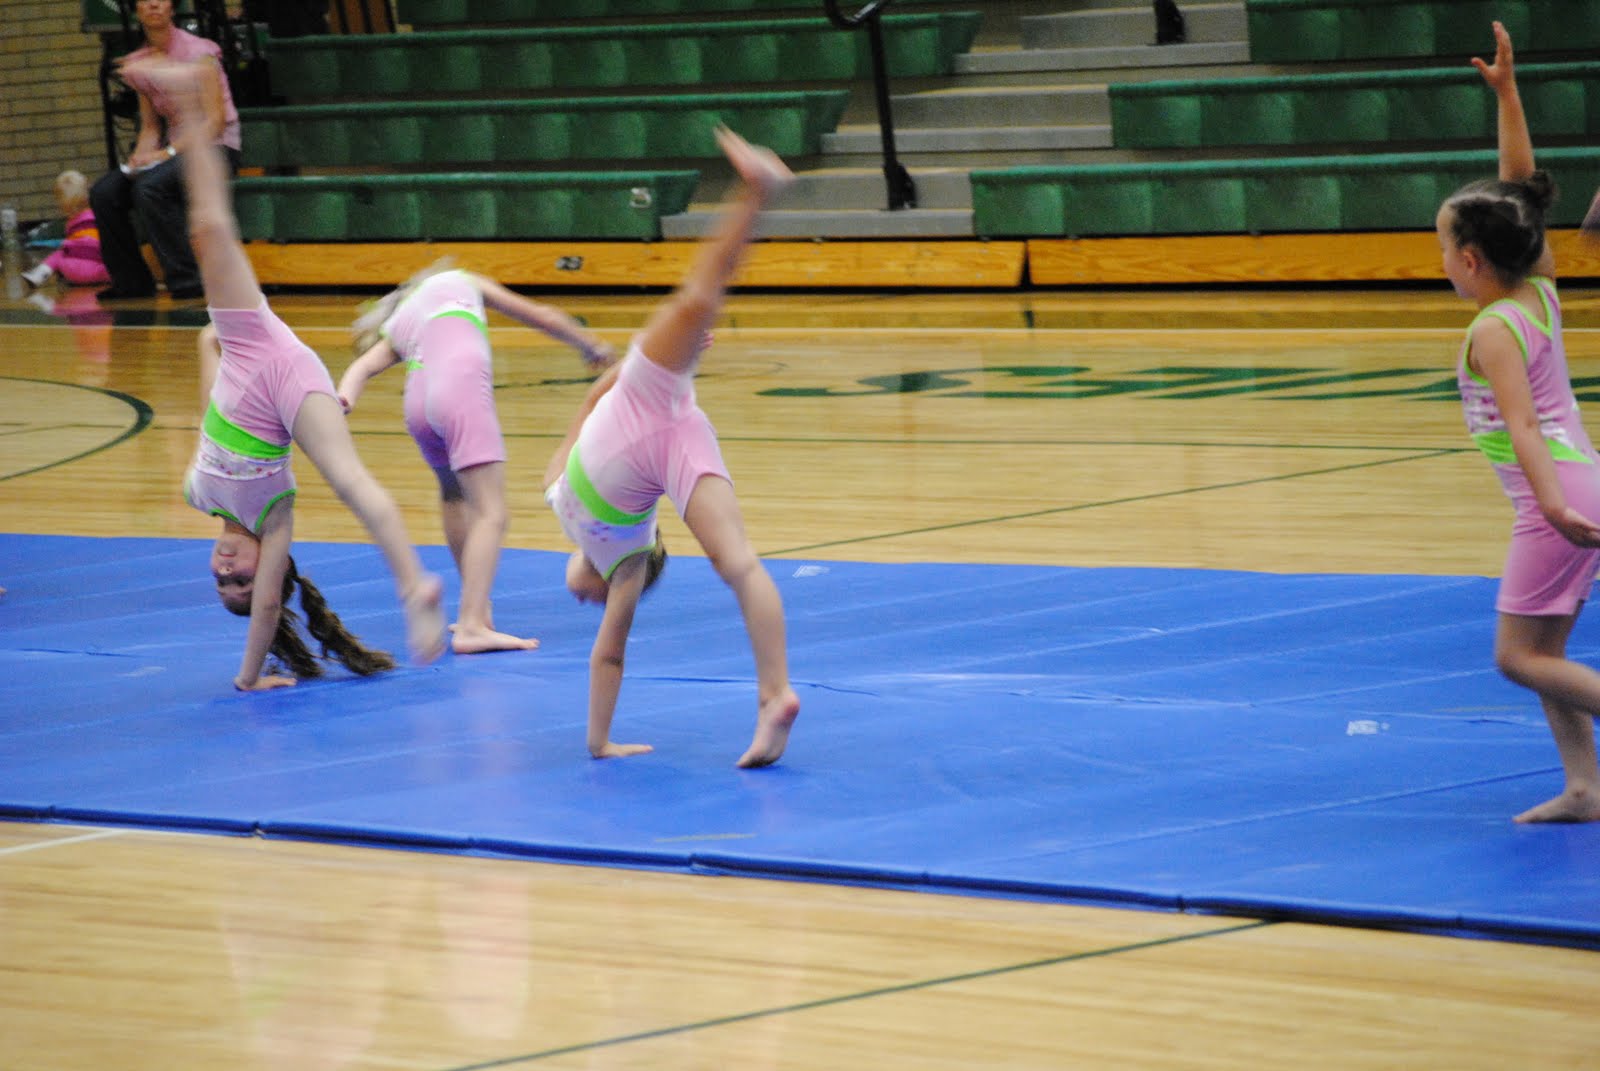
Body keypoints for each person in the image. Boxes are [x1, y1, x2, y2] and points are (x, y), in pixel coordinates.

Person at [137, 54, 444, 690]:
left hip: (248, 355)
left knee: (206, 232)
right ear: (268, 567)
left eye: (221, 581)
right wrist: (250, 677)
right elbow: (271, 608)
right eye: (242, 578)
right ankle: (416, 586)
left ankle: (184, 106)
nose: (228, 568)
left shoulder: (199, 493)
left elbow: (210, 414)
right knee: (351, 482)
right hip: (290, 382)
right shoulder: (275, 519)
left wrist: (210, 343)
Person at [543, 126, 800, 768]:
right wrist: (599, 742)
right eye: (592, 601)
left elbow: (588, 404)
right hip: (662, 417)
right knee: (738, 562)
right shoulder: (626, 563)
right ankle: (776, 695)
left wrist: (662, 353)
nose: (584, 598)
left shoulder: (559, 500)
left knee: (697, 303)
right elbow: (610, 653)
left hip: (650, 405)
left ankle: (775, 696)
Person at [1442, 22, 1600, 823]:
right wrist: (1507, 97)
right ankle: (1584, 787)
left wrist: (1551, 508)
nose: (1442, 257)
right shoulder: (1537, 290)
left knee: (1516, 657)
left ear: (1471, 259)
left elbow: (1525, 426)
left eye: (1445, 244)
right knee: (1547, 654)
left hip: (1558, 494)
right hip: (1581, 480)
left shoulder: (1493, 328)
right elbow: (1523, 188)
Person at [337, 263, 615, 654]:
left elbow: (363, 367)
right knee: (492, 512)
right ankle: (471, 625)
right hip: (459, 388)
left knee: (453, 496)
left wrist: (345, 397)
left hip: (418, 403)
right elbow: (541, 316)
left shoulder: (402, 318)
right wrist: (589, 344)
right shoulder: (462, 281)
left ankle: (476, 609)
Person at [90, 0, 241, 301]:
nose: (154, 4)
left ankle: (187, 279)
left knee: (150, 188)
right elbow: (150, 128)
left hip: (215, 146)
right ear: (137, 11)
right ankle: (132, 283)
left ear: (173, 8)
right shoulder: (141, 62)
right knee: (104, 192)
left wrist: (167, 154)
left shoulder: (201, 52)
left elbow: (215, 121)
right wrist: (140, 157)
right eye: (146, 0)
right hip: (172, 151)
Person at [21, 171, 111, 289]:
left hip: (70, 270)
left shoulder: (71, 223)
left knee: (58, 254)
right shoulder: (98, 215)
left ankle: (38, 274)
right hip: (98, 271)